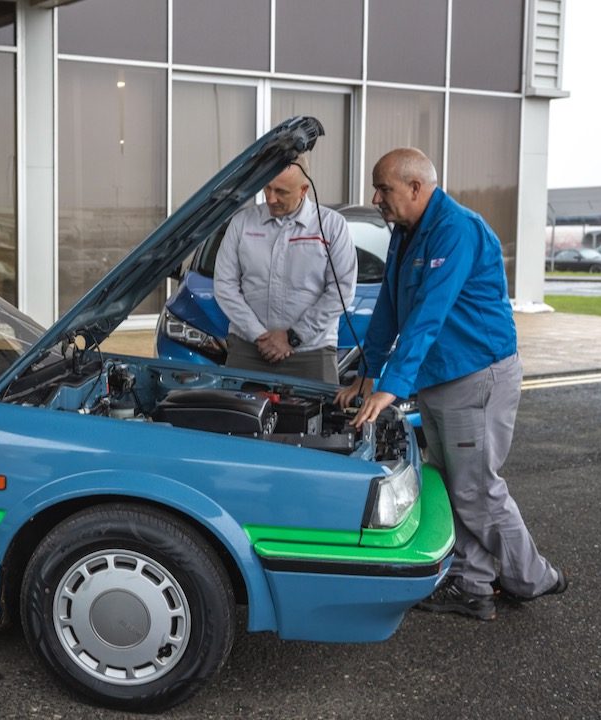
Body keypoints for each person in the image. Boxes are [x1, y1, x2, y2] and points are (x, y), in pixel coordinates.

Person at [338, 147, 567, 621]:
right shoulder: (407, 232)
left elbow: (427, 316)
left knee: (477, 489)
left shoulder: (455, 230)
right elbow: (389, 310)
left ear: (417, 188)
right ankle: (473, 584)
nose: (376, 198)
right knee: (452, 483)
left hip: (475, 376)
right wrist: (369, 372)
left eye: (384, 188)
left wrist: (390, 387)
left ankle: (532, 577)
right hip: (442, 377)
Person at [213, 155, 356, 383]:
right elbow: (224, 285)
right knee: (237, 418)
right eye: (267, 188)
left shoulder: (332, 226)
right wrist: (259, 336)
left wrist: (294, 337)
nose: (271, 198)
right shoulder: (242, 223)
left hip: (311, 353)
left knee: (319, 419)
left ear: (304, 189)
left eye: (281, 192)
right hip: (248, 350)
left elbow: (341, 292)